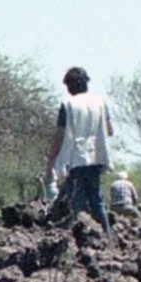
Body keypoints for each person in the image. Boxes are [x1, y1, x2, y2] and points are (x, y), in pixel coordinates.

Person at [45, 66, 114, 234]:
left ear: (70, 86)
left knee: (77, 201)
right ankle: (106, 236)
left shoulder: (68, 104)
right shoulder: (101, 102)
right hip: (97, 156)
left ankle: (83, 238)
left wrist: (51, 161)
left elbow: (60, 136)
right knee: (97, 200)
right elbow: (110, 130)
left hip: (76, 158)